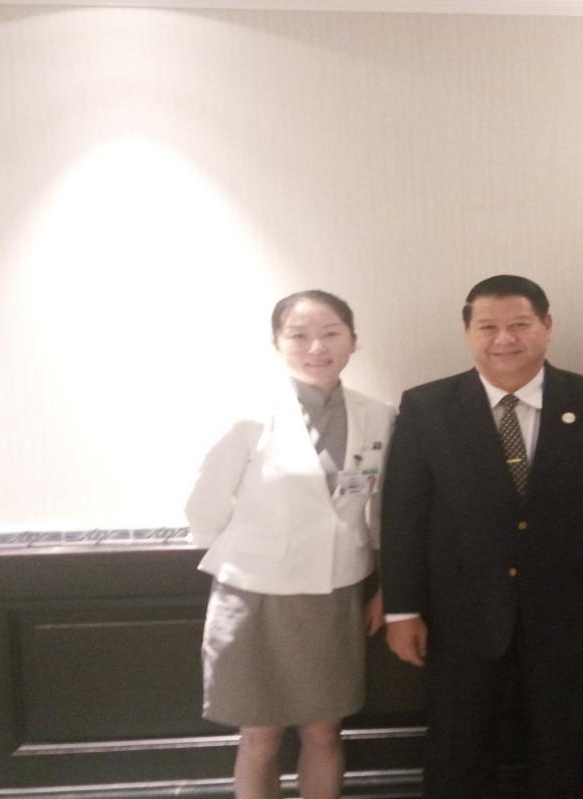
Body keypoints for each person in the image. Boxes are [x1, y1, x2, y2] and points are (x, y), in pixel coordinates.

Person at [380, 274, 583, 799]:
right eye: (488, 327)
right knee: (458, 748)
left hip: (566, 609)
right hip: (460, 613)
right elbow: (403, 514)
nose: (504, 338)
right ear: (468, 332)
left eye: (520, 324)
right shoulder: (426, 407)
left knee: (564, 748)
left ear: (546, 326)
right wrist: (401, 610)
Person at [185, 290, 394, 799]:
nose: (316, 347)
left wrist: (385, 588)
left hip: (335, 591)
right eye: (299, 336)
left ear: (353, 341)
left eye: (330, 334)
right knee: (261, 734)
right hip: (255, 595)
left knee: (324, 730)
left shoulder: (380, 416)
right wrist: (247, 557)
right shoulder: (248, 417)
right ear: (277, 344)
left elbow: (384, 511)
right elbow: (205, 506)